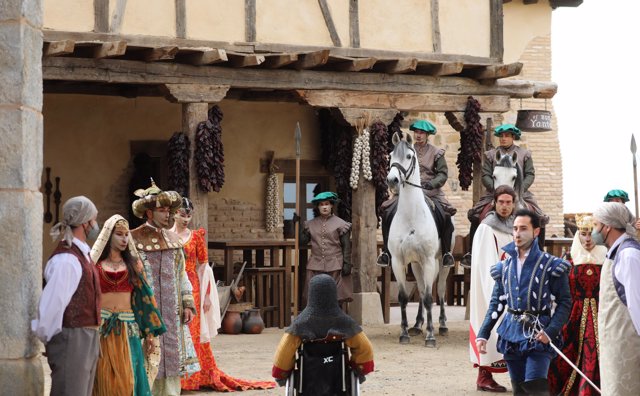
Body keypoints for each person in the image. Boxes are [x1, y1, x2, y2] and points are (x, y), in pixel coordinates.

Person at [171, 198, 276, 391]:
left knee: (192, 331)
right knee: (173, 332)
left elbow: (204, 268)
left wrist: (206, 296)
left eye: (188, 215)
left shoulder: (195, 237)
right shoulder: (165, 236)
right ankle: (172, 378)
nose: (185, 218)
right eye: (181, 214)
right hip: (171, 285)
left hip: (193, 286)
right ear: (173, 214)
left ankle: (192, 378)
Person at [475, 209, 571, 395]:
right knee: (519, 390)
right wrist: (483, 333)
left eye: (523, 228)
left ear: (536, 231)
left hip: (539, 334)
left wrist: (550, 331)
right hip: (510, 334)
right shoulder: (504, 267)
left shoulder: (552, 265)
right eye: (515, 228)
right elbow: (497, 303)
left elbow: (565, 302)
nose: (517, 233)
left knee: (536, 388)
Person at [130, 180, 200, 395]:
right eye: (161, 210)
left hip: (172, 312)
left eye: (169, 210)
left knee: (170, 362)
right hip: (145, 312)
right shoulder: (134, 239)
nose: (167, 214)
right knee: (146, 361)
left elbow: (182, 275)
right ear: (149, 213)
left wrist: (188, 303)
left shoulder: (173, 240)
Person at [31, 196, 102, 396]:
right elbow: (53, 303)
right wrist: (52, 340)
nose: (95, 224)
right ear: (85, 222)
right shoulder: (67, 259)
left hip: (86, 337)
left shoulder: (82, 254)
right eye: (94, 219)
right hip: (72, 338)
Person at [90, 215, 167, 396]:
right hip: (102, 330)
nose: (124, 239)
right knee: (103, 380)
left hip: (128, 329)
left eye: (126, 235)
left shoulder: (133, 266)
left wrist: (149, 333)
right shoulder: (96, 267)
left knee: (128, 379)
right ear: (109, 236)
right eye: (119, 234)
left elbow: (144, 299)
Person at [377, 119, 456, 268]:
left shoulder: (436, 153)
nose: (418, 135)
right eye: (416, 132)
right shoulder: (406, 150)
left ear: (427, 135)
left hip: (430, 191)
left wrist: (431, 183)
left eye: (422, 133)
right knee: (387, 212)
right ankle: (387, 253)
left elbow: (443, 174)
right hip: (407, 191)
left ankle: (446, 253)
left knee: (446, 215)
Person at [272, 274, 374, 386]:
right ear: (334, 294)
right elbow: (365, 348)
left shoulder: (300, 324)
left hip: (308, 378)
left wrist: (282, 375)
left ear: (311, 294)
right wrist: (359, 369)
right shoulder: (346, 322)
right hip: (337, 379)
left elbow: (284, 351)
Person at [467, 124, 547, 260]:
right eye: (501, 136)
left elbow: (530, 174)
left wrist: (520, 189)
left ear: (513, 137)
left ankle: (539, 251)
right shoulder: (491, 155)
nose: (504, 139)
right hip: (494, 192)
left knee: (539, 217)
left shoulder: (524, 154)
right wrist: (496, 190)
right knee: (476, 214)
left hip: (520, 192)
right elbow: (485, 174)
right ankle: (471, 253)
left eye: (507, 136)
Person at [547, 214, 606, 396]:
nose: (587, 239)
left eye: (591, 234)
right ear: (578, 235)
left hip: (602, 313)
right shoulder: (569, 259)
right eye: (583, 234)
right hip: (574, 314)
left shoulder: (608, 259)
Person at [469, 185, 517, 393]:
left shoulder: (515, 225)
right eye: (501, 202)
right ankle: (484, 376)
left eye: (509, 202)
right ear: (494, 203)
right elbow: (487, 263)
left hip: (515, 287)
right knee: (489, 326)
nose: (505, 207)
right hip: (495, 288)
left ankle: (519, 377)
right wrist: (497, 293)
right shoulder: (486, 228)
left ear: (514, 204)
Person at [591, 202, 640, 395]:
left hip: (628, 348)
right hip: (615, 348)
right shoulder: (617, 253)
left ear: (607, 226)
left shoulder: (629, 255)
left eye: (595, 225)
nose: (594, 231)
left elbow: (637, 305)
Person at [299, 191, 353, 304]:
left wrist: (347, 263)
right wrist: (298, 226)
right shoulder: (310, 224)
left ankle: (335, 320)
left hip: (335, 265)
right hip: (315, 265)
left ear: (332, 205)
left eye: (327, 204)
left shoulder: (341, 224)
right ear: (318, 207)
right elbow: (302, 242)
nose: (324, 207)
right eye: (321, 204)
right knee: (314, 295)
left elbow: (346, 245)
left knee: (335, 297)